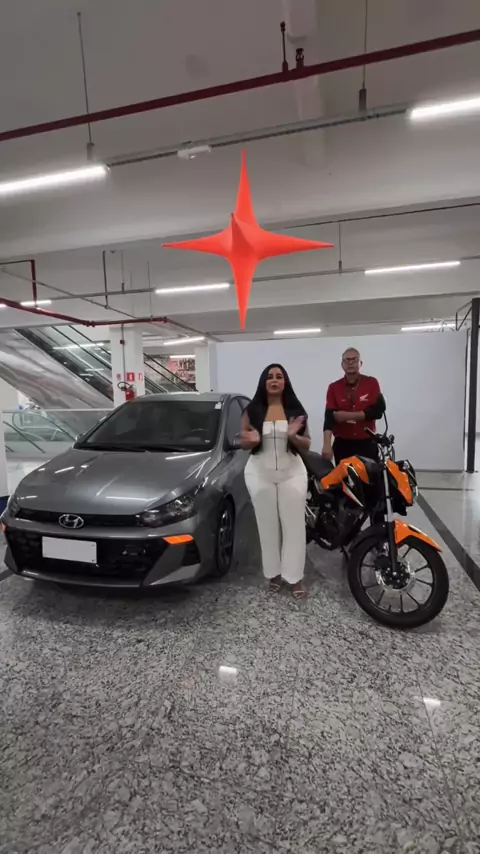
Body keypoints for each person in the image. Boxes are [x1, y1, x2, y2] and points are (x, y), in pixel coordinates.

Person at [240, 364, 310, 598]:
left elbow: (307, 443)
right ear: (264, 382)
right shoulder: (252, 410)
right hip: (259, 473)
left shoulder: (296, 410)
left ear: (285, 382)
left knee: (294, 526)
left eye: (279, 376)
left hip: (293, 473)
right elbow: (242, 441)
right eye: (270, 377)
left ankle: (295, 577)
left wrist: (293, 436)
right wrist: (250, 440)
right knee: (267, 525)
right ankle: (274, 574)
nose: (274, 380)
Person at [322, 347, 386, 464]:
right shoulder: (334, 387)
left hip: (366, 443)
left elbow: (376, 412)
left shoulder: (371, 383)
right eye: (347, 360)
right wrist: (326, 445)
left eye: (354, 359)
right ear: (342, 364)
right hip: (343, 444)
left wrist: (346, 416)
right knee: (344, 476)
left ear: (360, 363)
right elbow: (329, 417)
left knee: (371, 475)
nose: (350, 363)